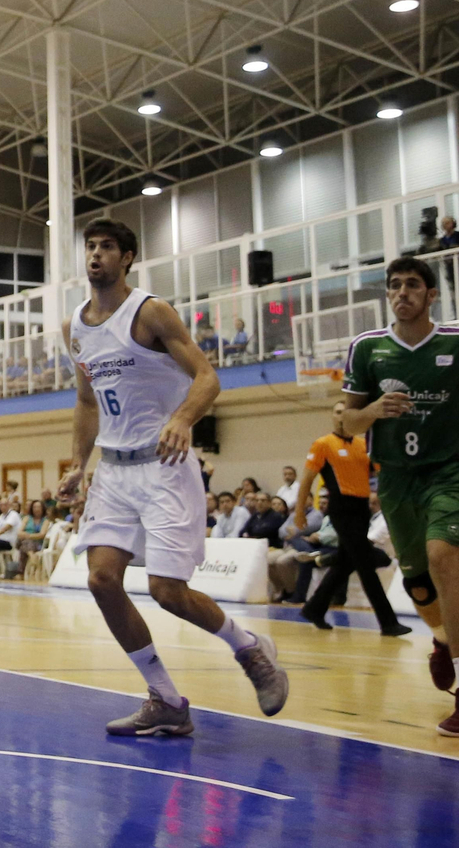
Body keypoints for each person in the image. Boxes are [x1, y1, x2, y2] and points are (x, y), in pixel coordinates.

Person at [57, 218, 287, 738]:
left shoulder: (151, 312)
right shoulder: (74, 326)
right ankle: (165, 699)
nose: (96, 255)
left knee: (167, 591)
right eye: (90, 247)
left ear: (128, 257)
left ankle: (249, 648)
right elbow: (86, 400)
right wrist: (78, 462)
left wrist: (182, 419)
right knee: (101, 580)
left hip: (163, 466)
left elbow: (209, 377)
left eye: (107, 247)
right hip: (113, 471)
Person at [339, 256, 459, 735]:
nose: (402, 292)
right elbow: (345, 423)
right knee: (419, 584)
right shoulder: (368, 349)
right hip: (395, 479)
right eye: (394, 285)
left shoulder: (454, 341)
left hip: (449, 472)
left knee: (444, 556)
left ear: (431, 295)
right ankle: (442, 639)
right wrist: (372, 410)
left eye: (412, 285)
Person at [294, 401, 408, 635]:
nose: (340, 415)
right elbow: (307, 479)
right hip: (341, 508)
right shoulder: (323, 444)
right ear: (332, 416)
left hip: (361, 508)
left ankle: (314, 608)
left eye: (344, 411)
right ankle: (388, 622)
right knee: (365, 563)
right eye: (336, 412)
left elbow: (381, 472)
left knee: (346, 563)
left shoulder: (362, 444)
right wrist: (298, 513)